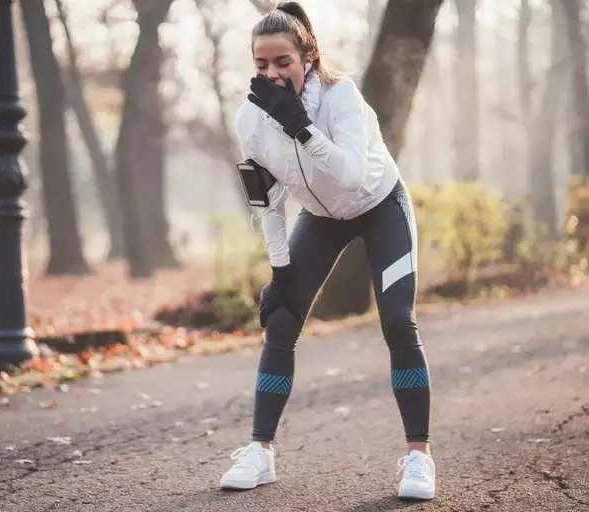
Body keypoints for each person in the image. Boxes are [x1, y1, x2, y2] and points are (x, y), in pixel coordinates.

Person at [219, 2, 435, 500]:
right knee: (281, 319)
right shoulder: (249, 120)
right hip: (320, 218)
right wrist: (280, 270)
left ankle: (419, 458)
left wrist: (302, 128)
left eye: (283, 62)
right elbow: (267, 201)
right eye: (261, 65)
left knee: (398, 322)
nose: (272, 74)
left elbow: (354, 177)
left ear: (308, 57)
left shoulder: (342, 97)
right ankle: (260, 452)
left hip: (380, 205)